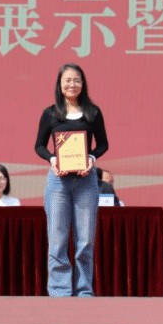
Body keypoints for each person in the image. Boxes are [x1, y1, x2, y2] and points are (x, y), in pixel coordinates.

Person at [35, 63, 109, 298]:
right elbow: (39, 146)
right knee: (57, 238)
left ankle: (84, 290)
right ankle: (59, 290)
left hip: (86, 181)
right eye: (67, 80)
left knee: (85, 240)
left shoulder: (93, 112)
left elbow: (103, 144)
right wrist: (52, 159)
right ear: (59, 84)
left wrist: (91, 158)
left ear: (83, 83)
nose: (72, 84)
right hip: (59, 182)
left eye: (76, 80)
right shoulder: (50, 113)